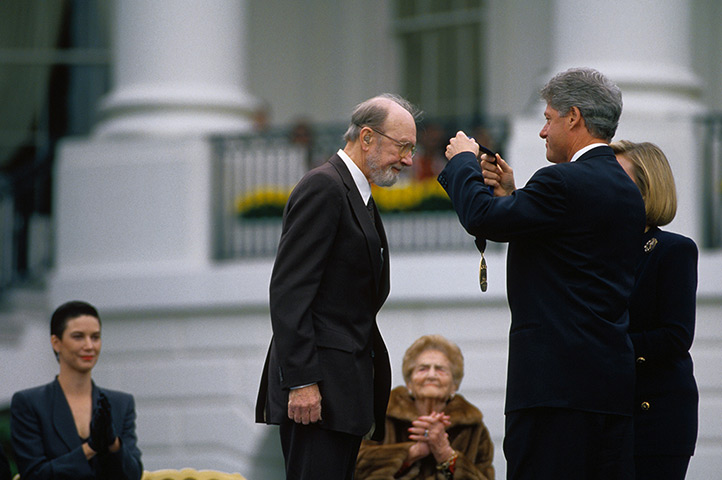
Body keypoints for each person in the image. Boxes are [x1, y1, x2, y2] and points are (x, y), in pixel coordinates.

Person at [437, 67, 646, 479]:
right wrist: (515, 198)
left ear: (573, 117)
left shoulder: (562, 182)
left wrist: (463, 161)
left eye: (548, 119)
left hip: (554, 393)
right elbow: (568, 252)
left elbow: (483, 218)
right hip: (608, 389)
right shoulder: (626, 189)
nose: (542, 132)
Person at [255, 93, 420, 479]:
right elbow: (289, 291)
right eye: (403, 147)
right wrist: (301, 382)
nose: (409, 160)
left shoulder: (357, 194)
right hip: (316, 396)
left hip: (341, 394)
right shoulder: (324, 187)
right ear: (366, 138)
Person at [610, 140, 699, 480]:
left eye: (619, 178)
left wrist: (606, 347)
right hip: (610, 414)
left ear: (647, 188)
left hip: (655, 416)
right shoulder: (604, 250)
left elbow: (675, 336)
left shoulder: (673, 250)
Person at [11, 301, 143, 480]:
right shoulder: (29, 404)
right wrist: (90, 449)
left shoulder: (121, 403)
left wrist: (113, 444)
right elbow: (34, 475)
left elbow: (133, 475)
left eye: (95, 337)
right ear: (56, 343)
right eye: (78, 336)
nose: (89, 346)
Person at [355, 335, 495, 480]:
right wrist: (412, 453)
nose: (431, 375)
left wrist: (446, 454)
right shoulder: (382, 417)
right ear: (409, 382)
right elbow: (355, 469)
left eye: (441, 369)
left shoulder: (473, 428)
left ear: (454, 385)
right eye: (423, 369)